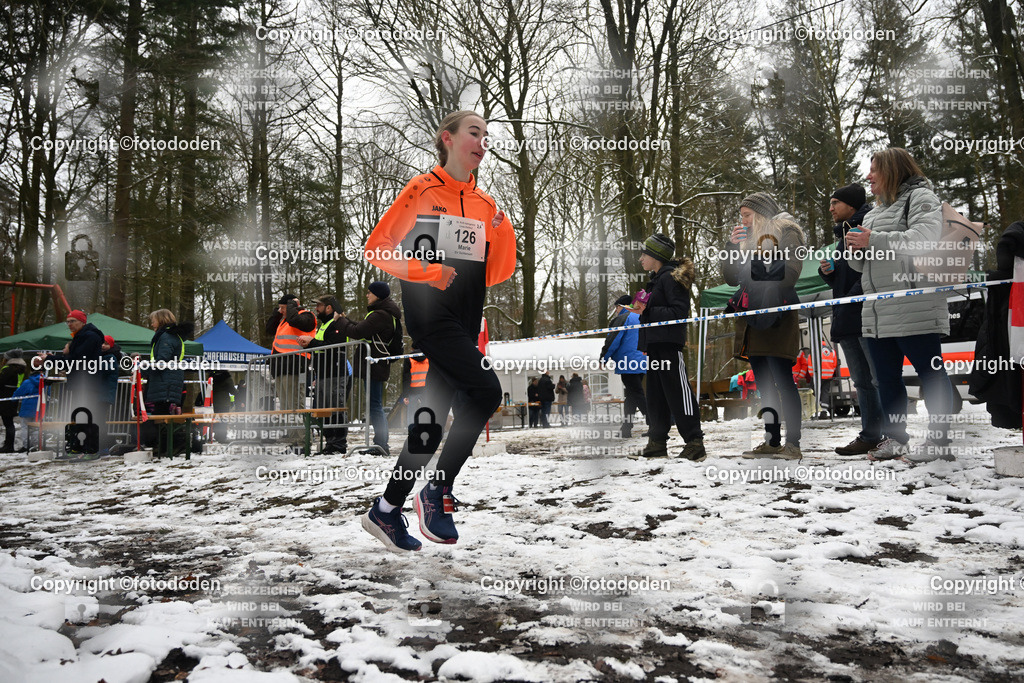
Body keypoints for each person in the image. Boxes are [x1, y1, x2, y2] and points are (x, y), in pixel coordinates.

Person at [359, 109, 516, 552]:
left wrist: (504, 234)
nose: (482, 141)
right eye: (473, 132)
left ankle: (386, 511)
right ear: (446, 139)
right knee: (486, 393)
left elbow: (497, 274)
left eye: (487, 135)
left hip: (465, 322)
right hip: (432, 317)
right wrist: (426, 272)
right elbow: (378, 249)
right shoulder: (421, 189)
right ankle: (436, 491)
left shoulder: (486, 205)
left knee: (426, 429)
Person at [847, 148, 954, 462]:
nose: (869, 177)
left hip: (914, 305)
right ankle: (896, 440)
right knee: (887, 379)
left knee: (930, 375)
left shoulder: (921, 198)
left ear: (892, 171)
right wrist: (855, 251)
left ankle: (939, 442)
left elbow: (924, 239)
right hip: (878, 312)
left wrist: (873, 241)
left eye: (874, 170)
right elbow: (860, 268)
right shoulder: (872, 212)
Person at [722, 193, 805, 459]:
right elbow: (731, 278)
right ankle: (772, 440)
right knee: (764, 385)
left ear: (760, 214)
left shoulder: (788, 232)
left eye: (747, 215)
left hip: (778, 318)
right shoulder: (746, 241)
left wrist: (752, 267)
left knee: (783, 381)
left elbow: (790, 273)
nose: (743, 220)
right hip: (752, 320)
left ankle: (793, 444)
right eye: (742, 215)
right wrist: (732, 249)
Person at [818, 183, 883, 454]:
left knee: (880, 379)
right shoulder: (840, 238)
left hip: (867, 316)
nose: (830, 208)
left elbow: (869, 273)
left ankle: (890, 435)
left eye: (835, 203)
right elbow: (843, 281)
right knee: (861, 382)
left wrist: (850, 299)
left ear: (852, 206)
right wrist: (828, 274)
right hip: (845, 319)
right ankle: (870, 436)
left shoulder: (866, 230)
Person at [634, 234, 705, 461]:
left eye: (644, 254)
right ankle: (657, 442)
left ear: (655, 256)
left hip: (669, 345)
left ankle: (695, 442)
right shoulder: (655, 280)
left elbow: (678, 314)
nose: (640, 258)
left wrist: (646, 312)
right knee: (655, 396)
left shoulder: (671, 278)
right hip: (654, 345)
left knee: (678, 392)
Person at [334, 282, 402, 455]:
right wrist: (345, 320)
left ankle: (381, 445)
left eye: (370, 292)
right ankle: (380, 444)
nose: (367, 295)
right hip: (377, 364)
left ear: (378, 295)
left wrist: (341, 321)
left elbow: (357, 332)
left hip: (374, 364)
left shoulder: (380, 315)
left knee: (375, 405)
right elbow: (362, 328)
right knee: (374, 404)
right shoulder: (385, 314)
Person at [301, 295, 350, 454]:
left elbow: (332, 346)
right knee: (324, 410)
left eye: (319, 306)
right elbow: (321, 347)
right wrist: (308, 345)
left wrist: (311, 342)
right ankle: (330, 443)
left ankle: (339, 445)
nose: (316, 309)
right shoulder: (325, 325)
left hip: (334, 373)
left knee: (336, 408)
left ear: (329, 308)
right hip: (322, 374)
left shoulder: (338, 323)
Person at [266, 294, 315, 442]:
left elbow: (296, 322)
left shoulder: (306, 316)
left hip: (294, 367)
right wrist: (277, 312)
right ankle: (294, 438)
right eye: (279, 308)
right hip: (281, 368)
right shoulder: (283, 321)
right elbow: (269, 329)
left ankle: (301, 439)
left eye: (283, 308)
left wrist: (292, 306)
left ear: (294, 305)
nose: (281, 311)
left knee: (295, 404)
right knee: (286, 407)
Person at [143, 310, 194, 455]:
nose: (152, 323)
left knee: (163, 414)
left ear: (161, 320)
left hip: (165, 381)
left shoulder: (166, 337)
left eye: (153, 320)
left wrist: (144, 367)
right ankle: (167, 447)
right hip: (166, 380)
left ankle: (172, 447)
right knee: (163, 415)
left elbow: (161, 361)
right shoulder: (172, 336)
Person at [601, 295, 647, 438]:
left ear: (623, 306)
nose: (615, 310)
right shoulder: (640, 316)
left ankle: (656, 425)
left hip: (628, 362)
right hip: (642, 361)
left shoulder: (622, 319)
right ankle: (626, 428)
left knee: (637, 394)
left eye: (617, 307)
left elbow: (613, 340)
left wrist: (604, 357)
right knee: (631, 396)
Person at [1, 349, 27, 452]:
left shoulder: (7, 369)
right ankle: (8, 444)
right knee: (9, 422)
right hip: (12, 398)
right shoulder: (20, 369)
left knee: (8, 423)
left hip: (5, 399)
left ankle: (8, 446)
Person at [13, 366, 43, 451]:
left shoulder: (27, 382)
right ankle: (36, 445)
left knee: (25, 427)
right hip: (40, 408)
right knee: (36, 427)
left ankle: (26, 446)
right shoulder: (44, 382)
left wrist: (13, 399)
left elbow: (18, 393)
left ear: (31, 371)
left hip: (27, 409)